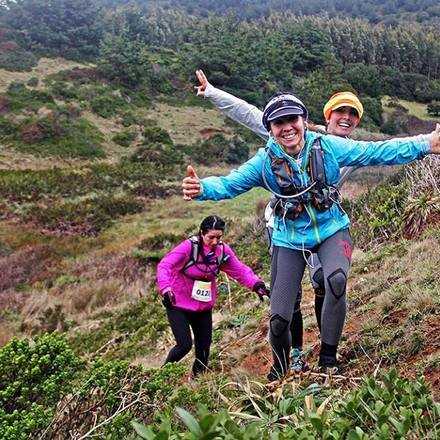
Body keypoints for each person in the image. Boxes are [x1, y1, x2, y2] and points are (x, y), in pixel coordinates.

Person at [182, 93, 440, 380]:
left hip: (331, 229)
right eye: (279, 122)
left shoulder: (327, 146)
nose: (287, 127)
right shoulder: (264, 162)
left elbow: (375, 151)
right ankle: (282, 365)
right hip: (288, 238)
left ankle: (328, 357)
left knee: (335, 281)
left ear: (303, 121)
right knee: (279, 320)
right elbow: (231, 183)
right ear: (270, 128)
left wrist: (426, 144)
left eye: (292, 119)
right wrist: (203, 188)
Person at [194, 69, 363, 373]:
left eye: (353, 114)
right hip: (287, 226)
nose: (346, 118)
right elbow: (249, 114)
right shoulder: (295, 133)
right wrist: (212, 93)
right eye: (341, 112)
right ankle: (293, 354)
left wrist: (425, 146)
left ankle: (327, 354)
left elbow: (386, 150)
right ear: (328, 115)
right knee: (288, 298)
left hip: (325, 226)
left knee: (329, 281)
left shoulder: (347, 149)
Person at [157, 215, 269, 376]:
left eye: (219, 237)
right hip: (177, 303)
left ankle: (198, 382)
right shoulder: (189, 248)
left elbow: (239, 270)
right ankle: (162, 377)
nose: (215, 241)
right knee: (184, 345)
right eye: (211, 237)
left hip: (202, 306)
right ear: (202, 233)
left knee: (204, 349)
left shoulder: (222, 251)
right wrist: (166, 288)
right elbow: (165, 265)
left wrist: (257, 285)